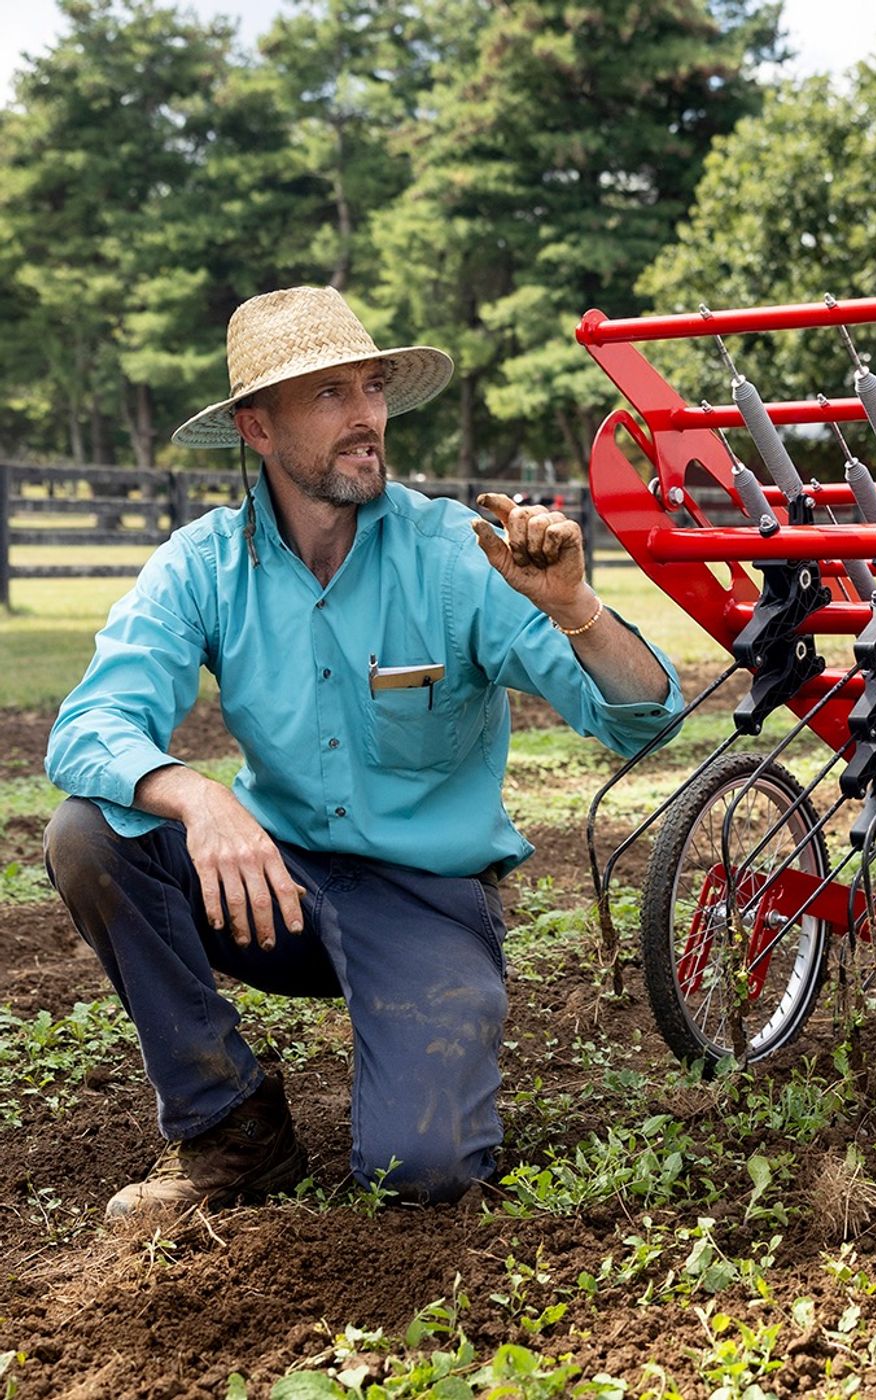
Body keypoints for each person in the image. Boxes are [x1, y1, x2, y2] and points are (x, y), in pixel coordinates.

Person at [43, 286, 682, 1217]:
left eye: (372, 388)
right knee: (89, 835)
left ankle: (416, 1044)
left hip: (424, 900)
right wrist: (199, 797)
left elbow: (643, 720)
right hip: (278, 891)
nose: (368, 418)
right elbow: (89, 724)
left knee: (420, 1173)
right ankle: (231, 1132)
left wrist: (578, 610)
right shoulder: (203, 564)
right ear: (258, 430)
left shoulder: (457, 554)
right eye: (331, 395)